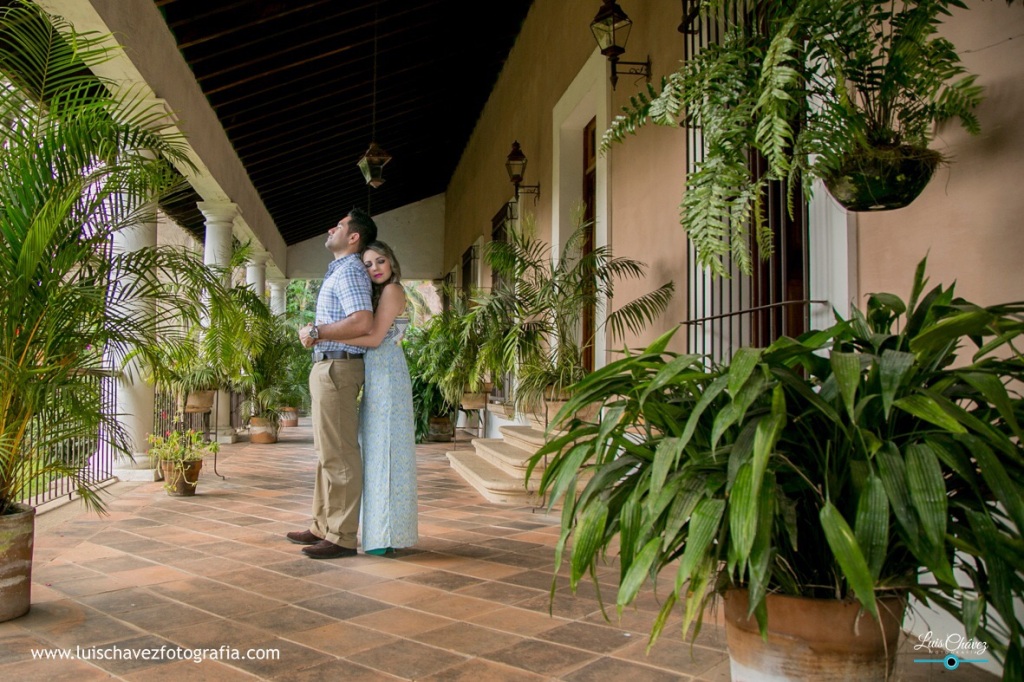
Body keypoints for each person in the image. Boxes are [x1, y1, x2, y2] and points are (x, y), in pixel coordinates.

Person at [287, 208, 377, 559]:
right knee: (326, 452)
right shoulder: (340, 271)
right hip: (327, 367)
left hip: (337, 369)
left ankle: (341, 536)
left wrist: (316, 331)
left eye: (338, 226)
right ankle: (322, 525)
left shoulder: (351, 271)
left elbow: (362, 322)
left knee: (339, 454)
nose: (331, 228)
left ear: (354, 237)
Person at [325, 241, 418, 555]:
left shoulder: (392, 291)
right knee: (377, 453)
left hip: (388, 379)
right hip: (378, 379)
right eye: (367, 264)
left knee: (385, 455)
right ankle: (381, 534)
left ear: (391, 262)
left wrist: (322, 332)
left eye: (380, 261)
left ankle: (385, 537)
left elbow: (376, 337)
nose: (375, 268)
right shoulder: (381, 295)